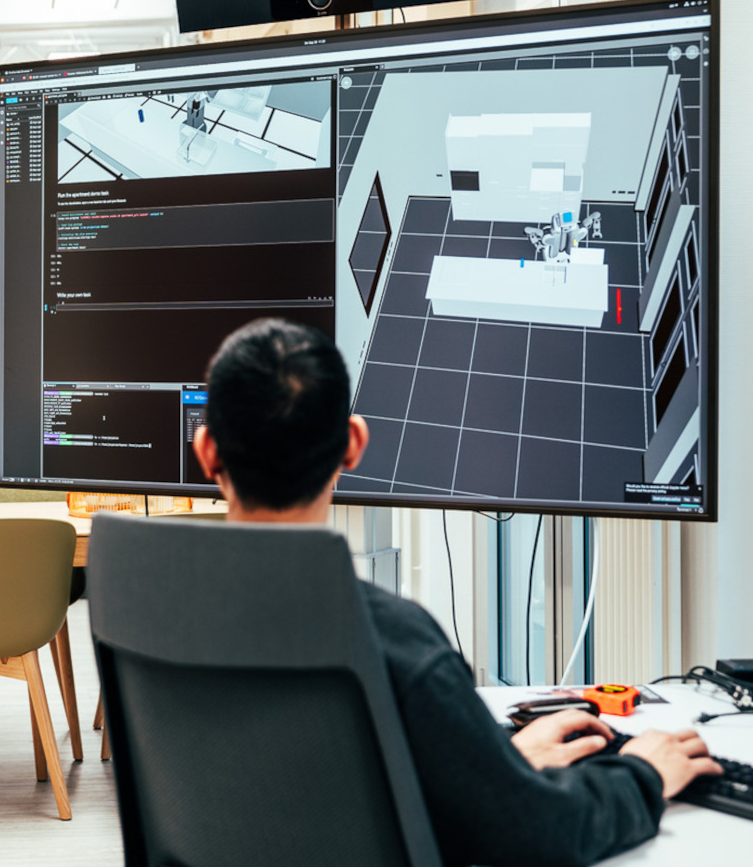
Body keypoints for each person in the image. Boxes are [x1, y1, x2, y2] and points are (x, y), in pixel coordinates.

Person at [191, 318, 721, 867]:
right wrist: (642, 773)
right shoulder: (389, 639)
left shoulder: (160, 606)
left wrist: (493, 764)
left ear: (206, 451)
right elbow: (541, 834)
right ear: (353, 445)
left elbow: (299, 790)